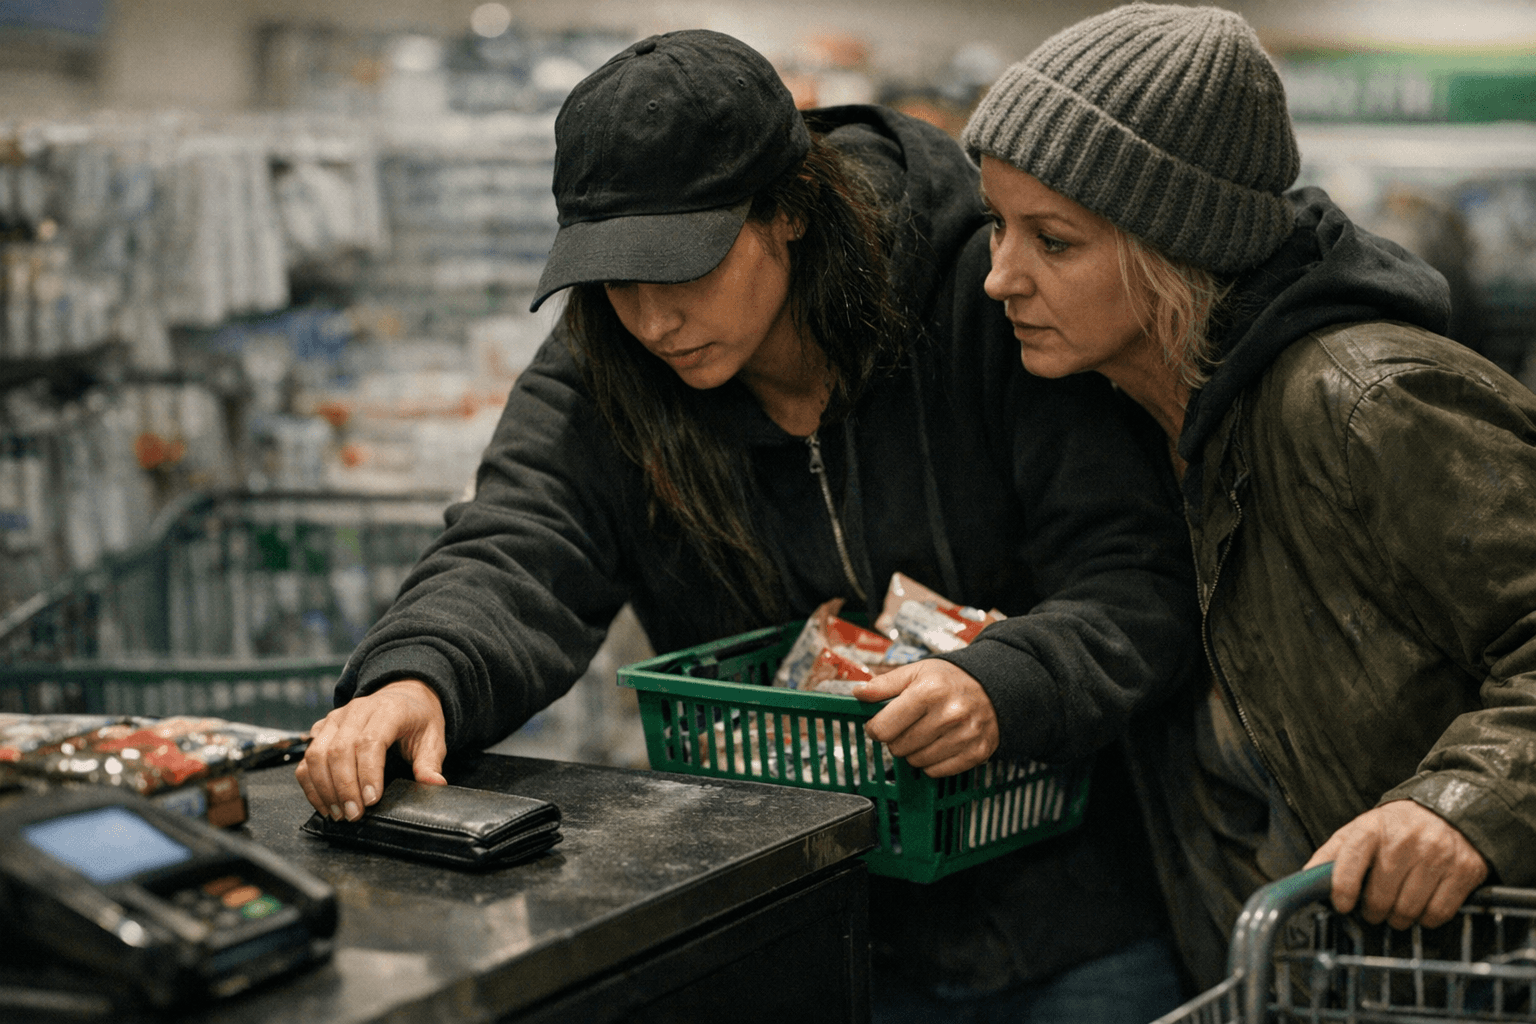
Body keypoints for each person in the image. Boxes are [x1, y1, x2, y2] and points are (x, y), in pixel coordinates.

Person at [297, 28, 1198, 1023]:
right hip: (806, 923)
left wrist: (1006, 682)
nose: (652, 320)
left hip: (1068, 920)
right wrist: (421, 674)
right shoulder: (608, 365)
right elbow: (522, 537)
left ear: (791, 210)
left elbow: (1138, 577)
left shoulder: (984, 300)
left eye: (683, 270)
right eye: (617, 279)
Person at [963, 1, 1536, 992]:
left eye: (1053, 241)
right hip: (1294, 980)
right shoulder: (1134, 415)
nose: (998, 278)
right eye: (996, 226)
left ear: (1176, 246)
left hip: (1448, 982)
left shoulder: (1362, 401)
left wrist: (1460, 807)